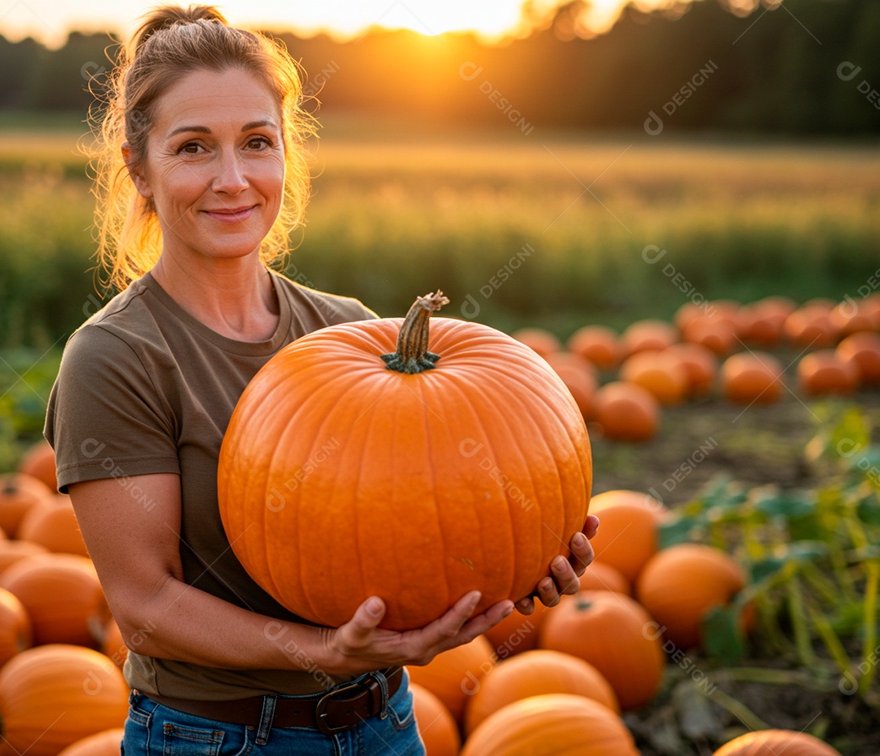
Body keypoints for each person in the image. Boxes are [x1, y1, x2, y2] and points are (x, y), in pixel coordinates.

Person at [44, 5, 599, 754]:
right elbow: (144, 606)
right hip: (218, 737)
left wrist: (516, 560)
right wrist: (320, 652)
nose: (233, 179)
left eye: (257, 143)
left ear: (286, 156)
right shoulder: (117, 357)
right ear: (140, 169)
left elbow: (420, 517)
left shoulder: (348, 330)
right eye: (194, 148)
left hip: (385, 723)